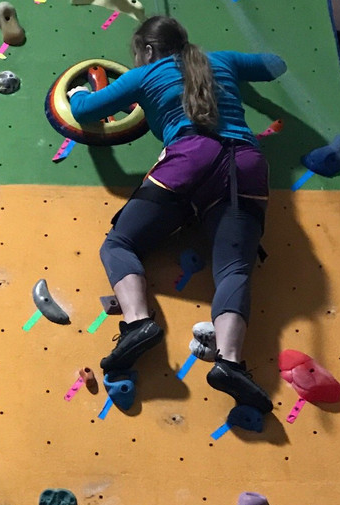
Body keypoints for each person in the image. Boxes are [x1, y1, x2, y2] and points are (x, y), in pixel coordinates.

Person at [67, 16, 286, 412]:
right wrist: (235, 74)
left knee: (121, 243)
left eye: (138, 54)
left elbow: (83, 110)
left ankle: (138, 323)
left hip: (190, 157)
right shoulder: (223, 61)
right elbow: (276, 65)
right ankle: (230, 364)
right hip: (247, 165)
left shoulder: (145, 74)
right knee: (234, 270)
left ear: (148, 51)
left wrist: (81, 88)